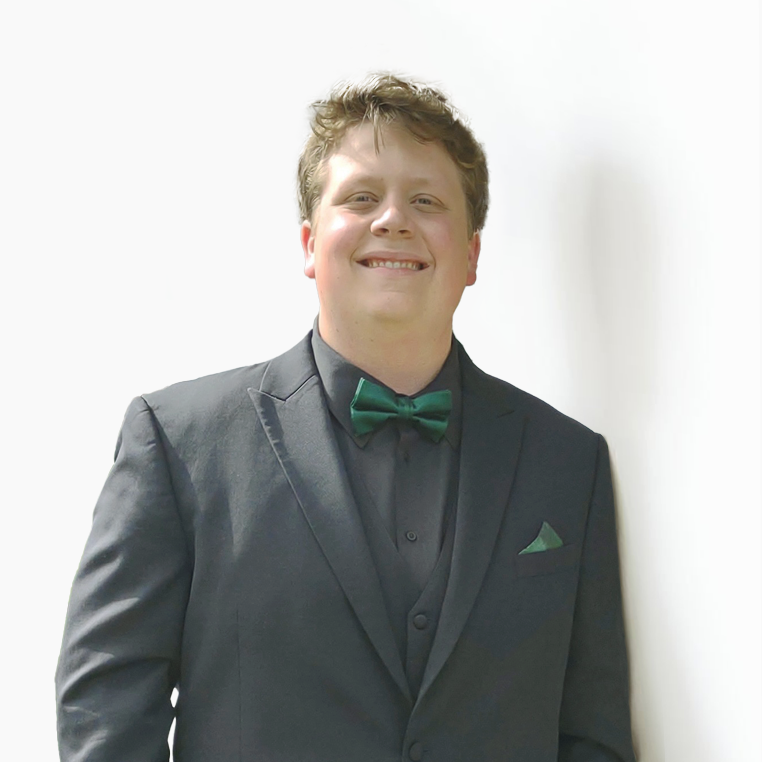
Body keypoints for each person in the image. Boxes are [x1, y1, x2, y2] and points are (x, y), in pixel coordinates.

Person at [56, 73, 636, 761]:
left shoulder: (567, 462)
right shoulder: (179, 442)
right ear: (309, 243)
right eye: (361, 197)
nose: (393, 219)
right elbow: (105, 709)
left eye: (426, 200)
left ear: (472, 255)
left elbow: (593, 733)